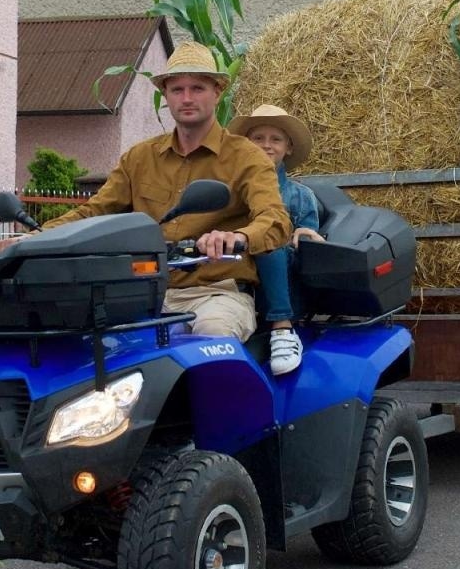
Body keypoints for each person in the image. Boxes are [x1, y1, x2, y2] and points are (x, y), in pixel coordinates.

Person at [39, 41, 290, 343]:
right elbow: (95, 212)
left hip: (213, 293)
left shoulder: (247, 156)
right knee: (81, 343)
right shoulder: (139, 157)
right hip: (140, 291)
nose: (186, 98)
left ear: (217, 92)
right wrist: (37, 237)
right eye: (176, 89)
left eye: (197, 88)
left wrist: (239, 237)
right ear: (166, 95)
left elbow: (275, 219)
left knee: (213, 335)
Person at [231, 104, 324, 375]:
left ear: (289, 148)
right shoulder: (228, 193)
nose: (266, 145)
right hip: (235, 274)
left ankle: (282, 330)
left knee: (268, 241)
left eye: (275, 139)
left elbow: (309, 236)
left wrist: (304, 235)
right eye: (258, 138)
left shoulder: (301, 196)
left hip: (282, 277)